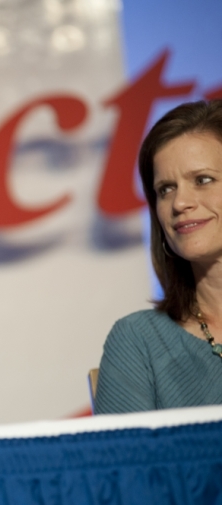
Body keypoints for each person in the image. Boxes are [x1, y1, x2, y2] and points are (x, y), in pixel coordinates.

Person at [95, 100, 222, 414]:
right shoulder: (138, 341)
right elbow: (124, 462)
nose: (180, 202)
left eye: (202, 180)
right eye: (165, 189)